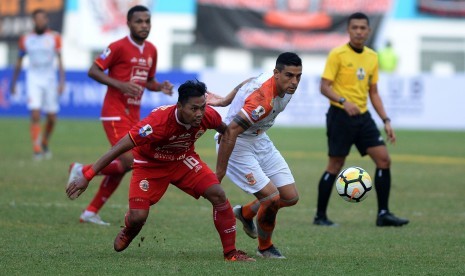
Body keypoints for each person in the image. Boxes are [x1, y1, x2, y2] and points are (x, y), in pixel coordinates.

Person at [66, 80, 255, 262]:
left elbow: (227, 130)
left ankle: (231, 253)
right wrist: (88, 176)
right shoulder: (157, 123)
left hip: (183, 160)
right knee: (138, 217)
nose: (199, 113)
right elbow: (118, 148)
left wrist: (226, 141)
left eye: (202, 107)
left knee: (218, 194)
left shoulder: (208, 115)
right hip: (150, 164)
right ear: (179, 106)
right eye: (194, 109)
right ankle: (130, 228)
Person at [67, 5, 173, 226]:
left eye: (147, 21)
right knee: (131, 161)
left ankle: (90, 211)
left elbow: (148, 82)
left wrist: (159, 86)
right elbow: (93, 70)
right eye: (139, 21)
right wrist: (121, 85)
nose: (144, 25)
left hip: (134, 116)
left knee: (124, 165)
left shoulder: (151, 50)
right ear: (128, 24)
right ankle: (83, 171)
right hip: (114, 113)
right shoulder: (118, 47)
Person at [313, 12, 409, 227]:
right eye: (354, 27)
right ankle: (320, 216)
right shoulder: (337, 54)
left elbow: (373, 92)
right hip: (340, 116)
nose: (358, 31)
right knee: (335, 165)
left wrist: (385, 119)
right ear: (348, 30)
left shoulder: (372, 57)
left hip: (363, 118)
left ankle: (383, 214)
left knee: (384, 160)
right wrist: (343, 101)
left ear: (368, 31)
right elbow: (324, 87)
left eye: (362, 28)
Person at [211, 52, 302, 259]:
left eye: (298, 76)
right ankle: (265, 248)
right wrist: (218, 175)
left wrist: (226, 99)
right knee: (271, 199)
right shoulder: (262, 101)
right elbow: (230, 132)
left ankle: (245, 213)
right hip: (237, 143)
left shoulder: (280, 83)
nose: (294, 82)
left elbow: (250, 80)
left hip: (259, 139)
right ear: (276, 73)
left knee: (290, 197)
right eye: (289, 75)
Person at [10, 9, 65, 160]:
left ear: (46, 20)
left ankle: (45, 141)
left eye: (42, 19)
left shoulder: (54, 37)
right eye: (37, 19)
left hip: (50, 79)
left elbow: (60, 60)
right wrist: (13, 82)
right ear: (33, 21)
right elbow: (19, 61)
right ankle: (37, 148)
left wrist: (62, 81)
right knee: (35, 113)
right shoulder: (26, 39)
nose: (40, 22)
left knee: (52, 117)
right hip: (33, 78)